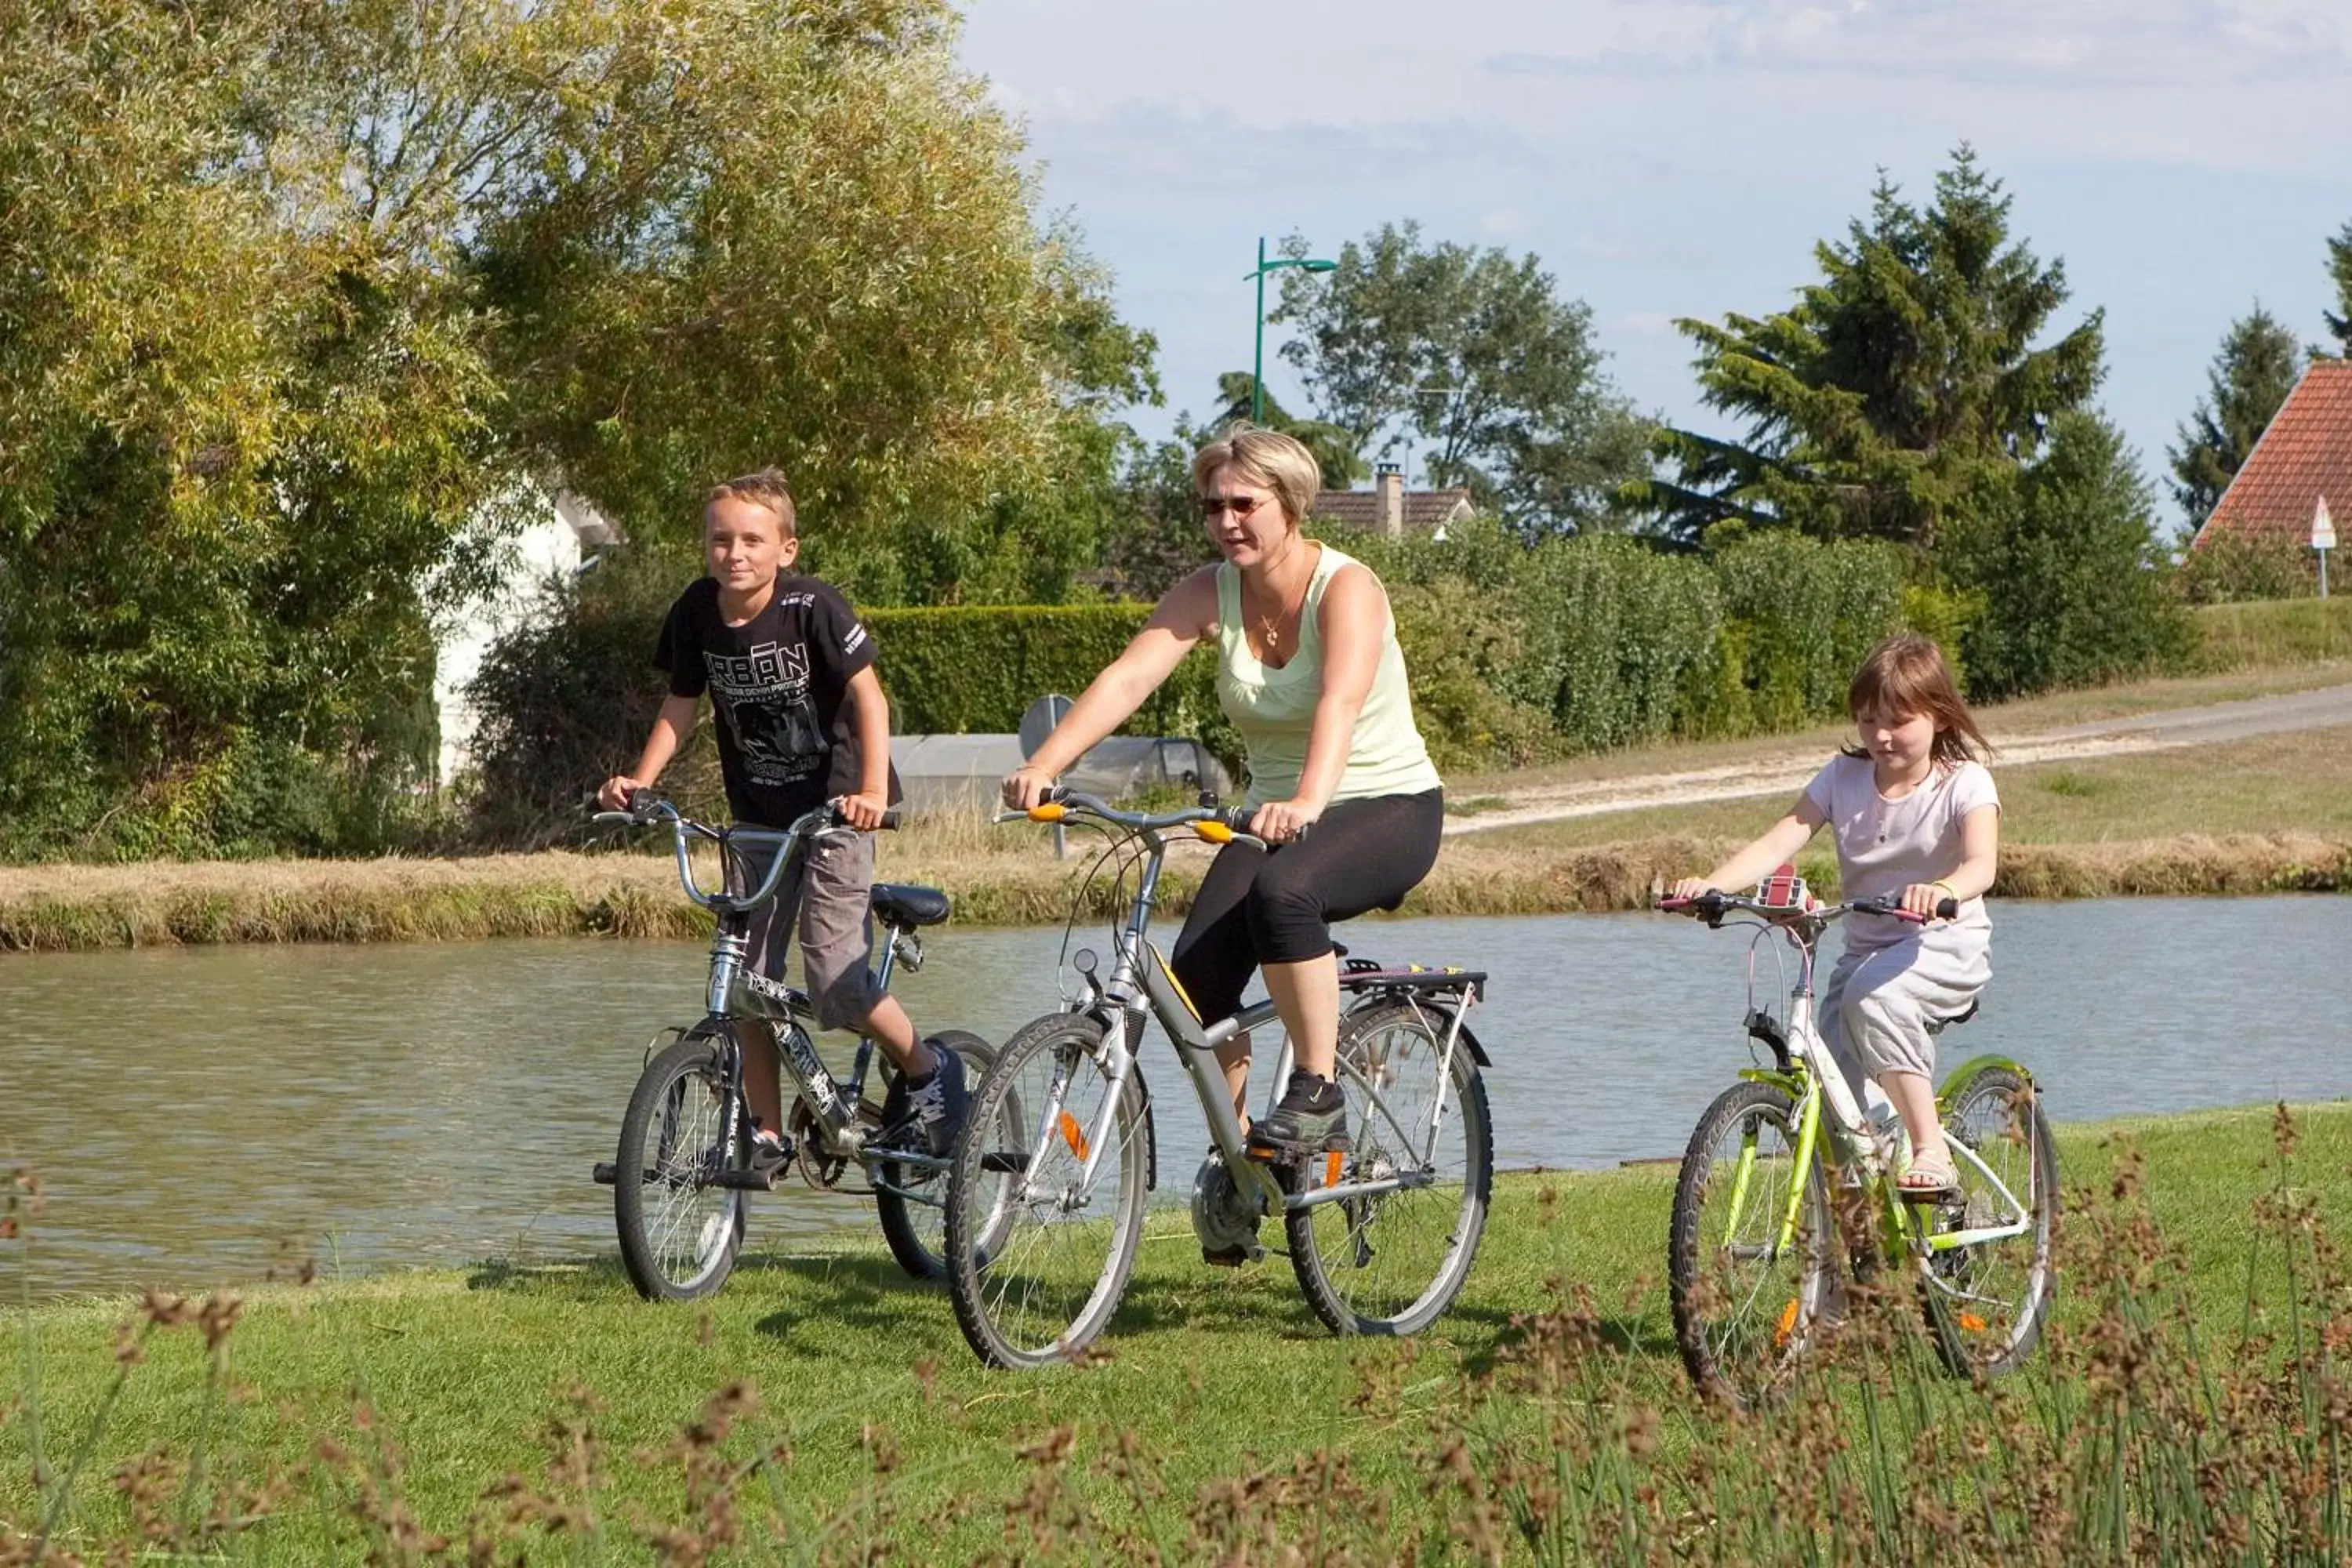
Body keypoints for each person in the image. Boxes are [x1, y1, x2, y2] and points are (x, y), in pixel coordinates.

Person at [1002, 427, 1445, 1164]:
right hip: (1272, 814)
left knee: (1284, 893)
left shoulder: (1348, 587)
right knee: (1196, 987)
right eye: (1214, 507)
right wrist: (1045, 761)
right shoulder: (1212, 589)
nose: (1227, 521)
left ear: (1291, 503)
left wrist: (1305, 803)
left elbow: (1338, 701)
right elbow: (1128, 678)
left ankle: (1319, 1089)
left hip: (1387, 805)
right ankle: (1242, 1165)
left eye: (1245, 503)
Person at [599, 467, 967, 1159]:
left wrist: (873, 794)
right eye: (719, 540)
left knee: (834, 983)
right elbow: (682, 704)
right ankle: (765, 1133)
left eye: (751, 540)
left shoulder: (812, 608)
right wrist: (639, 783)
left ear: (785, 550)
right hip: (758, 819)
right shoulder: (697, 612)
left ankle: (928, 1067)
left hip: (837, 812)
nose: (733, 553)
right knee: (745, 982)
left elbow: (871, 700)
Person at [1671, 633, 2000, 1195]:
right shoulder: (1842, 778)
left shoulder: (1963, 783)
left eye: (1899, 720)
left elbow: (1981, 866)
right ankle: (1856, 1258)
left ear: (1941, 717)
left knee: (1874, 997)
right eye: (1869, 720)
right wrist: (1712, 885)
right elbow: (1779, 841)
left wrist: (1939, 888)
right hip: (1864, 954)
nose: (1882, 736)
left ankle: (1930, 1147)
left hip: (1945, 945)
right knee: (1836, 1101)